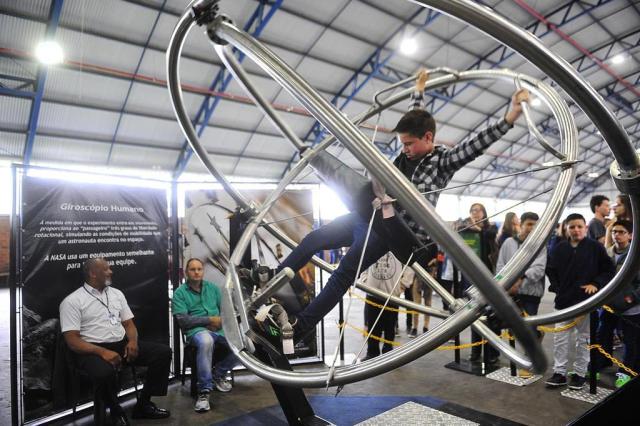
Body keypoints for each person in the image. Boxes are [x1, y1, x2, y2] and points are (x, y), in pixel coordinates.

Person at [274, 70, 530, 340]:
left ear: (429, 138)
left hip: (389, 230)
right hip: (366, 215)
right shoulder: (408, 147)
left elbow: (474, 146)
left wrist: (510, 116)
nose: (405, 149)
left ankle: (302, 326)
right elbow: (415, 114)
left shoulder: (442, 162)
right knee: (314, 239)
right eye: (402, 144)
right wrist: (419, 89)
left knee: (344, 272)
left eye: (409, 144)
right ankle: (274, 278)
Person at [60, 258, 172, 426]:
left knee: (163, 353)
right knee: (104, 372)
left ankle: (143, 404)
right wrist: (102, 352)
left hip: (120, 345)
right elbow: (73, 341)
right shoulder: (72, 301)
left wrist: (133, 341)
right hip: (90, 350)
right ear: (92, 273)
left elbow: (129, 324)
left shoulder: (116, 294)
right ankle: (115, 410)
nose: (111, 272)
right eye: (106, 269)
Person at [545, 214, 615, 391]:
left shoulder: (596, 248)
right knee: (560, 339)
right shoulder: (559, 248)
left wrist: (596, 284)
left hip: (586, 303)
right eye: (572, 227)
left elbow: (608, 269)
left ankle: (579, 374)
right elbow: (551, 270)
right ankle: (559, 373)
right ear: (567, 229)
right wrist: (557, 287)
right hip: (564, 303)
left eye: (579, 226)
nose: (576, 230)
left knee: (583, 340)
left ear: (585, 227)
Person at [172, 258, 238, 413]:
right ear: (186, 272)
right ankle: (204, 392)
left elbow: (226, 312)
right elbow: (183, 321)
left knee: (245, 343)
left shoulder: (213, 289)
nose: (196, 272)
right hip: (197, 332)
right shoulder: (180, 293)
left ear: (203, 271)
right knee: (206, 341)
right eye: (192, 269)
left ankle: (218, 374)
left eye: (199, 269)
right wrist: (208, 320)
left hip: (218, 330)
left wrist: (220, 321)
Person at [459, 203, 500, 363]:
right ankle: (476, 351)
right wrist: (467, 226)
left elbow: (490, 236)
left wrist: (479, 230)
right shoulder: (465, 228)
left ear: (484, 212)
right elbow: (457, 229)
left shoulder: (491, 227)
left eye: (479, 210)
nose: (475, 213)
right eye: (473, 210)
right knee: (474, 315)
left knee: (491, 316)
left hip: (488, 276)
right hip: (471, 277)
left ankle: (493, 353)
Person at [601, 220, 640, 387]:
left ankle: (625, 372)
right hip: (609, 306)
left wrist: (629, 300)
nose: (617, 234)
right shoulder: (607, 253)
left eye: (621, 232)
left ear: (630, 235)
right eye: (614, 231)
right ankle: (599, 365)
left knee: (630, 342)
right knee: (602, 336)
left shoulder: (636, 255)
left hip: (631, 309)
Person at [496, 212, 546, 317]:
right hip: (509, 294)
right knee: (510, 329)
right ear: (521, 224)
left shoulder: (540, 246)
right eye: (529, 224)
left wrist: (520, 279)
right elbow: (500, 267)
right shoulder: (508, 243)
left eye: (535, 225)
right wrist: (506, 284)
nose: (532, 228)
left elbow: (539, 269)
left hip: (531, 295)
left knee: (529, 329)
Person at [359, 252, 404, 360]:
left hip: (392, 294)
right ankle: (372, 352)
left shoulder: (398, 245)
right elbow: (363, 263)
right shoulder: (372, 243)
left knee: (390, 326)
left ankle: (388, 352)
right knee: (373, 326)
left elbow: (410, 266)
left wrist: (403, 284)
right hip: (372, 293)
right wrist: (365, 281)